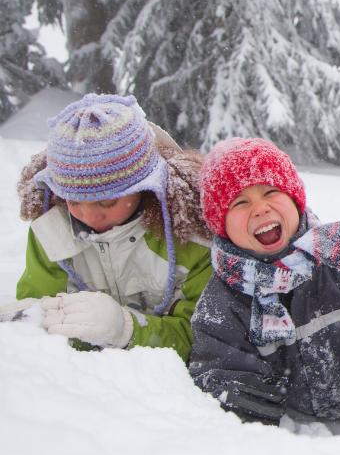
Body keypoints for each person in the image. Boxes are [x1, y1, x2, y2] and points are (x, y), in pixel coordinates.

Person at [188, 138, 340, 431]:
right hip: (298, 443)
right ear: (220, 225)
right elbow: (237, 402)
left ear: (295, 199)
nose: (260, 209)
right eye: (240, 202)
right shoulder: (221, 306)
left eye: (271, 191)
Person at [15, 93, 212, 361]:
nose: (90, 217)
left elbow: (207, 340)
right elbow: (40, 328)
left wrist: (127, 330)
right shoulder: (51, 234)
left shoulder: (192, 239)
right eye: (74, 200)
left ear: (147, 187)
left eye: (106, 202)